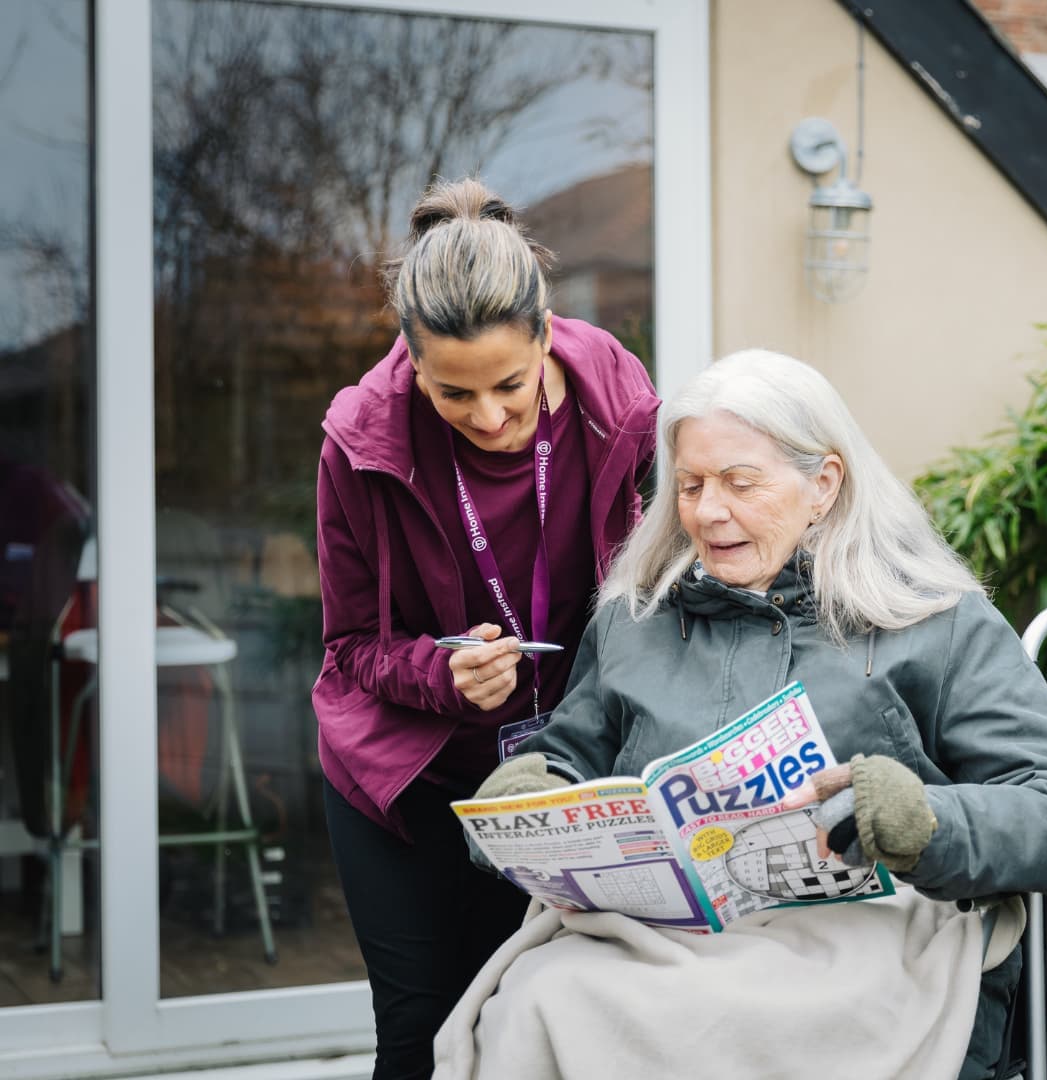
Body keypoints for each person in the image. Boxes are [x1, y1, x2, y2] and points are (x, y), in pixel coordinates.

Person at [437, 349, 1047, 1080]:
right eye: (692, 485)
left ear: (823, 484)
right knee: (539, 998)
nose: (706, 511)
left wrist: (925, 821)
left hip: (866, 945)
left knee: (706, 1024)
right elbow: (572, 759)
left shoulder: (938, 622)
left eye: (739, 483)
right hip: (658, 943)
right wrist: (530, 796)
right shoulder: (634, 623)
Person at [312, 176, 660, 1080]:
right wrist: (442, 671)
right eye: (452, 393)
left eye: (509, 383)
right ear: (412, 360)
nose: (490, 417)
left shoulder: (621, 405)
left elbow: (663, 587)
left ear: (547, 334)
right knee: (424, 1039)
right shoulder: (359, 438)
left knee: (543, 1031)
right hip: (411, 779)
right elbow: (348, 649)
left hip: (568, 776)